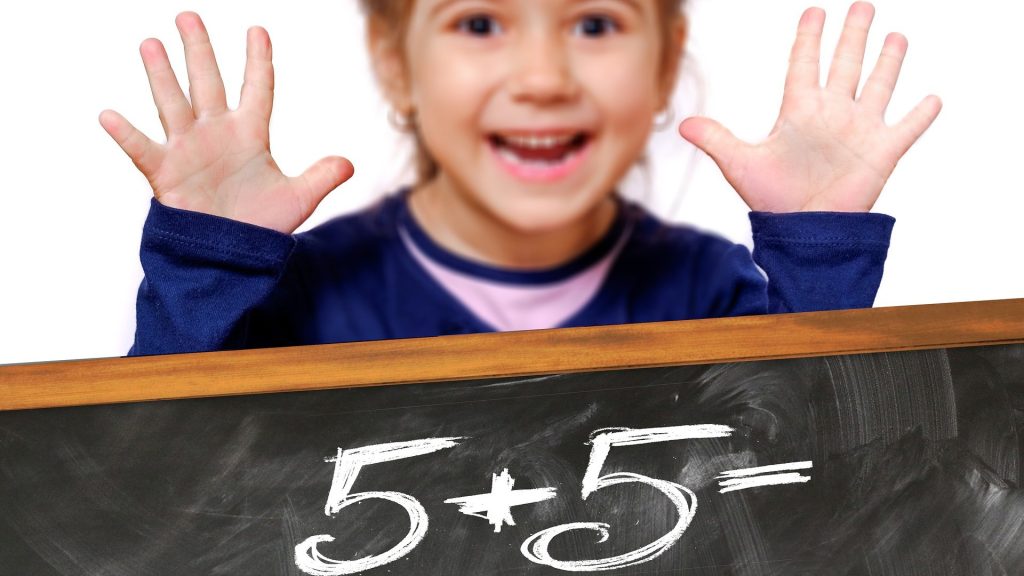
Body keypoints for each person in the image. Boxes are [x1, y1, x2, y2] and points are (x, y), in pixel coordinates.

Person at [99, 1, 941, 356]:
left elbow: (817, 479)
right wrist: (208, 262)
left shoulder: (706, 288)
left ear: (660, 71)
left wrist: (816, 254)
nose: (542, 77)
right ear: (397, 65)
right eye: (480, 24)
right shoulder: (307, 292)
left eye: (593, 25)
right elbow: (155, 492)